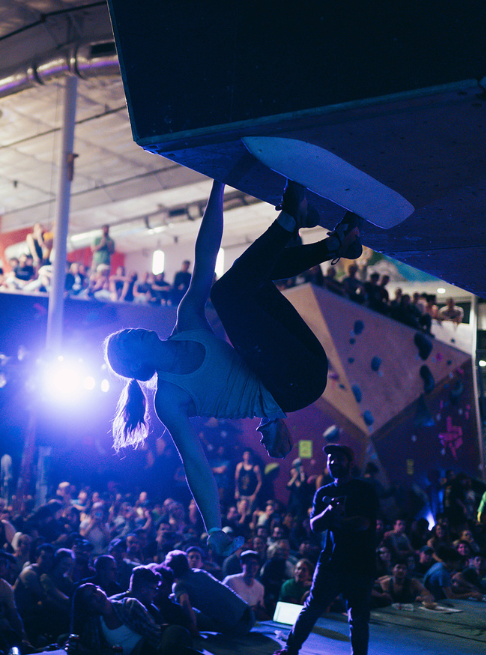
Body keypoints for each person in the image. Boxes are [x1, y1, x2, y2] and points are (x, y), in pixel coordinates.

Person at [104, 179, 363, 556]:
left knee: (248, 279)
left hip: (300, 357)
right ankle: (294, 216)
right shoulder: (170, 399)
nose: (135, 330)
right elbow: (196, 464)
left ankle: (338, 244)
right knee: (226, 293)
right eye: (129, 338)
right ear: (135, 363)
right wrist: (213, 530)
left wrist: (217, 185)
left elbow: (205, 254)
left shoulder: (186, 320)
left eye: (127, 329)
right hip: (295, 385)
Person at [273, 443, 378, 655]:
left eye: (338, 458)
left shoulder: (364, 489)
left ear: (350, 463)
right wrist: (328, 512)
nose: (333, 462)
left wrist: (337, 520)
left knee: (357, 617)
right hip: (331, 561)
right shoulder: (324, 493)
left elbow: (364, 523)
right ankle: (290, 649)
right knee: (311, 608)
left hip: (359, 563)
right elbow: (314, 526)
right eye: (330, 459)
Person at [222, 551, 266, 621]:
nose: (251, 566)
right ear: (242, 564)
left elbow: (259, 608)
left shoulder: (260, 587)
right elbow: (221, 603)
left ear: (258, 566)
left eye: (254, 563)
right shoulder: (231, 581)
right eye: (248, 563)